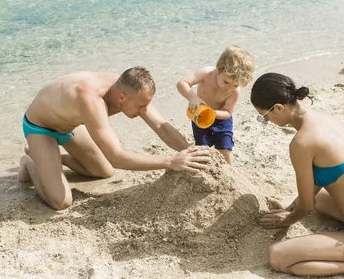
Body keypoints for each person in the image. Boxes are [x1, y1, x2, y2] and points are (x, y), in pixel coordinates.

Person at [251, 72, 344, 276]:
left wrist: (287, 219)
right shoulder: (322, 117)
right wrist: (289, 207)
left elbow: (306, 207)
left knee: (278, 257)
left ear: (278, 108)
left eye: (264, 116)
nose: (267, 120)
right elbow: (319, 183)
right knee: (320, 200)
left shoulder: (302, 143)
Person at [19, 67, 211, 210]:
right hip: (40, 127)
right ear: (121, 97)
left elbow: (161, 126)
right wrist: (170, 162)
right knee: (61, 202)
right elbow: (116, 157)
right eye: (141, 107)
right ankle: (31, 161)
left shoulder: (130, 89)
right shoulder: (92, 100)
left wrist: (189, 151)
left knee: (103, 170)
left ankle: (52, 159)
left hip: (69, 124)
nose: (144, 111)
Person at [177, 45, 255, 165]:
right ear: (219, 69)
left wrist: (213, 113)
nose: (229, 87)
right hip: (200, 116)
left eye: (235, 85)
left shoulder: (234, 91)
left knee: (224, 149)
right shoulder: (206, 74)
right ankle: (203, 170)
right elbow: (182, 83)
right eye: (226, 82)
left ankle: (230, 171)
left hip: (221, 120)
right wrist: (192, 97)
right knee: (202, 148)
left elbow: (228, 112)